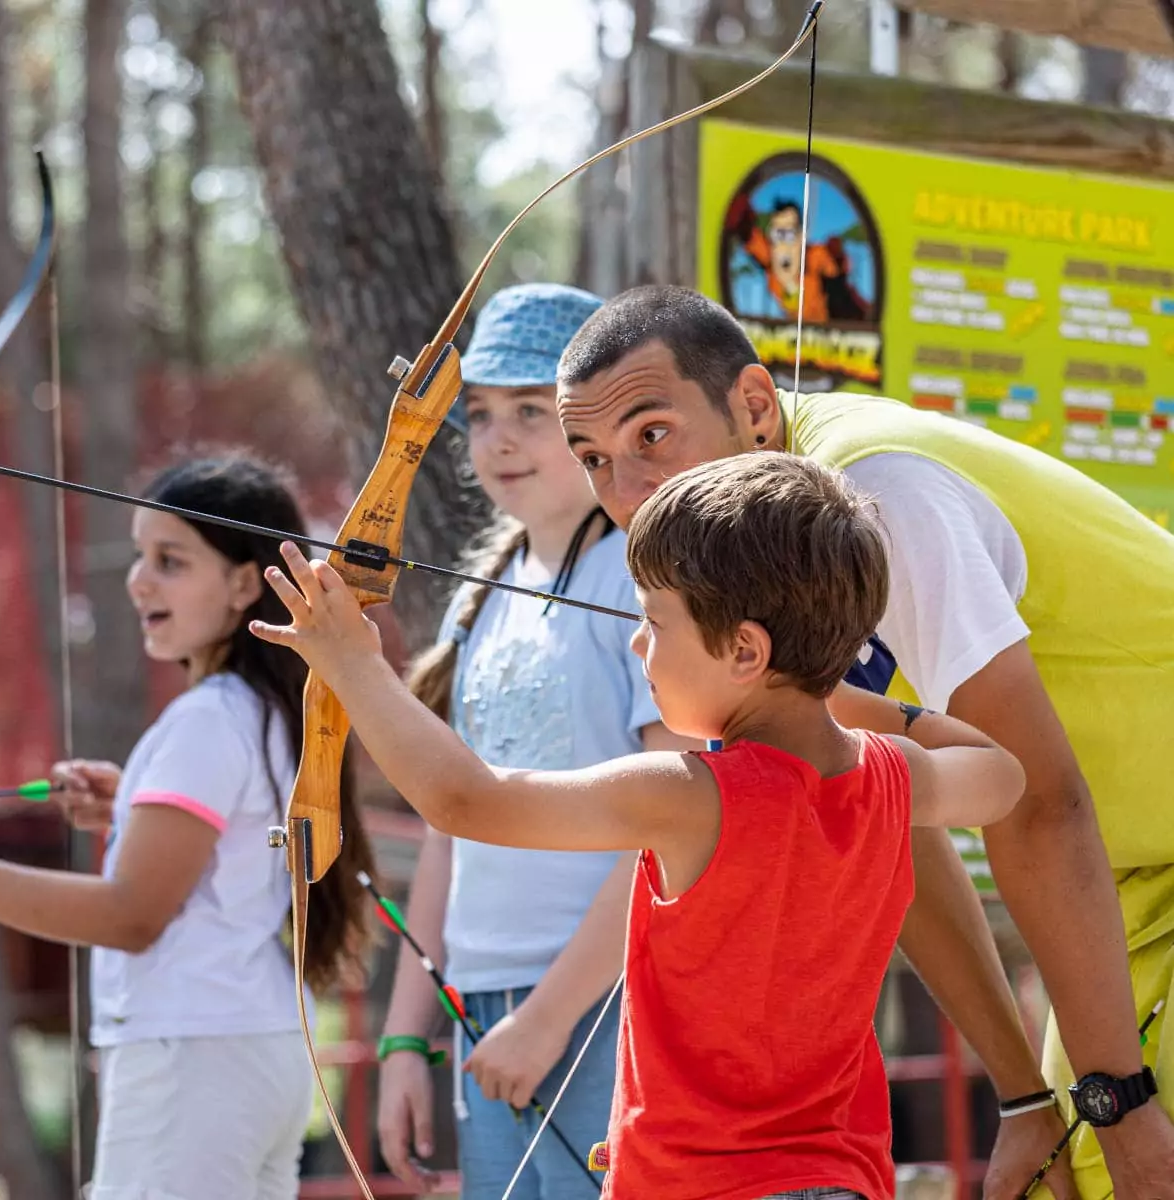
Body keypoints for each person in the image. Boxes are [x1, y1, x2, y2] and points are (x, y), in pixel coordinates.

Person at [250, 452, 1027, 1199]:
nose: (636, 641)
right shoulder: (890, 779)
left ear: (746, 651)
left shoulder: (689, 796)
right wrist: (829, 694)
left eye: (654, 621)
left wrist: (353, 665)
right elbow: (1002, 773)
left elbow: (467, 800)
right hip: (843, 1181)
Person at [553, 283, 1174, 1200]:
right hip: (1132, 871)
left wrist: (1119, 1106)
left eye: (651, 434)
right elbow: (881, 813)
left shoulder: (877, 493)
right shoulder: (746, 545)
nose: (628, 492)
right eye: (593, 459)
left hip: (1111, 842)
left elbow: (1041, 803)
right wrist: (1021, 1100)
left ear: (755, 406)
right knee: (1067, 1175)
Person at [0, 452, 375, 1200]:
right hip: (253, 1052)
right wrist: (132, 805)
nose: (138, 580)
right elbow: (225, 851)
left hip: (194, 1060)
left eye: (171, 561)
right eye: (139, 557)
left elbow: (131, 917)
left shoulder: (207, 722)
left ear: (245, 584)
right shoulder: (268, 711)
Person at [374, 283, 686, 1198]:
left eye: (529, 412)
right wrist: (404, 1038)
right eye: (477, 415)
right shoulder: (490, 591)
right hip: (489, 1009)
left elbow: (674, 819)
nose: (498, 438)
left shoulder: (637, 572)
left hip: (608, 1005)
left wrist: (551, 1018)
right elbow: (450, 823)